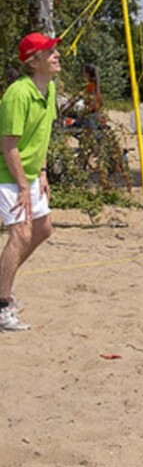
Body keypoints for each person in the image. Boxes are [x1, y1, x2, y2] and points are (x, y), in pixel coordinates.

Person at [0, 33, 61, 331]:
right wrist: (23, 185)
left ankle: (2, 285)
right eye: (49, 51)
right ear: (33, 61)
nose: (56, 54)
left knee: (43, 229)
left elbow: (43, 137)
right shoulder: (18, 93)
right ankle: (2, 305)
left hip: (32, 176)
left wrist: (44, 172)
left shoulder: (49, 89)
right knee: (21, 235)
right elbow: (8, 144)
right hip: (7, 175)